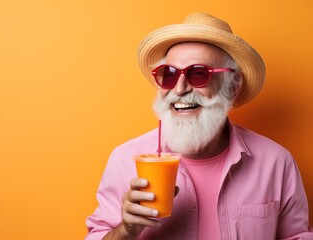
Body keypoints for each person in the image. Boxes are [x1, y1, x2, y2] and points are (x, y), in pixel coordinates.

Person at [85, 12, 313, 240]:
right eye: (170, 74)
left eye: (198, 74)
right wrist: (126, 230)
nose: (180, 88)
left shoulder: (276, 162)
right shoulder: (125, 160)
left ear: (232, 86)